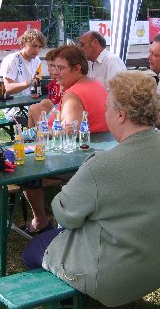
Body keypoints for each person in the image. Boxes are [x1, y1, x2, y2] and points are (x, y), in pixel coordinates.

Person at [22, 71, 160, 307]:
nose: (103, 112)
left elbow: (64, 215)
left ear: (120, 115)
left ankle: (72, 301)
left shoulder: (102, 165)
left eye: (106, 106)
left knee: (32, 250)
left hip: (114, 277)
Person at [23, 45, 109, 234]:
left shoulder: (74, 93)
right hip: (97, 156)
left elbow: (68, 131)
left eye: (60, 68)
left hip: (77, 162)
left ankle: (40, 221)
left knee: (27, 172)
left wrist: (38, 133)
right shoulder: (95, 83)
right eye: (53, 68)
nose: (55, 73)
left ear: (77, 68)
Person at [0, 29, 46, 125]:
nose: (37, 50)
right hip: (13, 107)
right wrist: (28, 83)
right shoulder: (12, 60)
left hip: (31, 103)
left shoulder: (37, 61)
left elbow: (37, 85)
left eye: (39, 47)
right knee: (39, 121)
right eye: (34, 46)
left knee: (52, 115)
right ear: (24, 43)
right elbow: (4, 89)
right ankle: (36, 138)